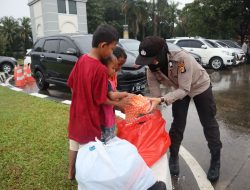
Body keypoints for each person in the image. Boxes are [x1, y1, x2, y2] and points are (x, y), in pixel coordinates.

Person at [135, 36, 222, 182]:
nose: (150, 64)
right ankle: (174, 156)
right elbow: (156, 97)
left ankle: (216, 159)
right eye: (147, 61)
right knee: (178, 123)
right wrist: (152, 118)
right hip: (179, 89)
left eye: (152, 59)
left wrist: (162, 100)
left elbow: (184, 89)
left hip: (199, 86)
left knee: (208, 123)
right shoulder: (151, 68)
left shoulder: (181, 59)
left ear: (162, 53)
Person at [67, 24, 128, 180]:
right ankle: (86, 176)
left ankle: (71, 172)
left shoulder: (81, 59)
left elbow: (72, 84)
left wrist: (80, 100)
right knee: (89, 149)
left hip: (75, 113)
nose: (111, 52)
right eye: (112, 49)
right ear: (103, 45)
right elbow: (101, 99)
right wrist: (119, 104)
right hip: (90, 118)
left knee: (74, 142)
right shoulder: (100, 70)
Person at [100, 54, 130, 143]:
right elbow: (112, 95)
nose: (116, 70)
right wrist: (125, 94)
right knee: (107, 139)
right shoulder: (105, 81)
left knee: (110, 136)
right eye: (113, 68)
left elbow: (114, 91)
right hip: (105, 116)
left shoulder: (109, 79)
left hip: (109, 114)